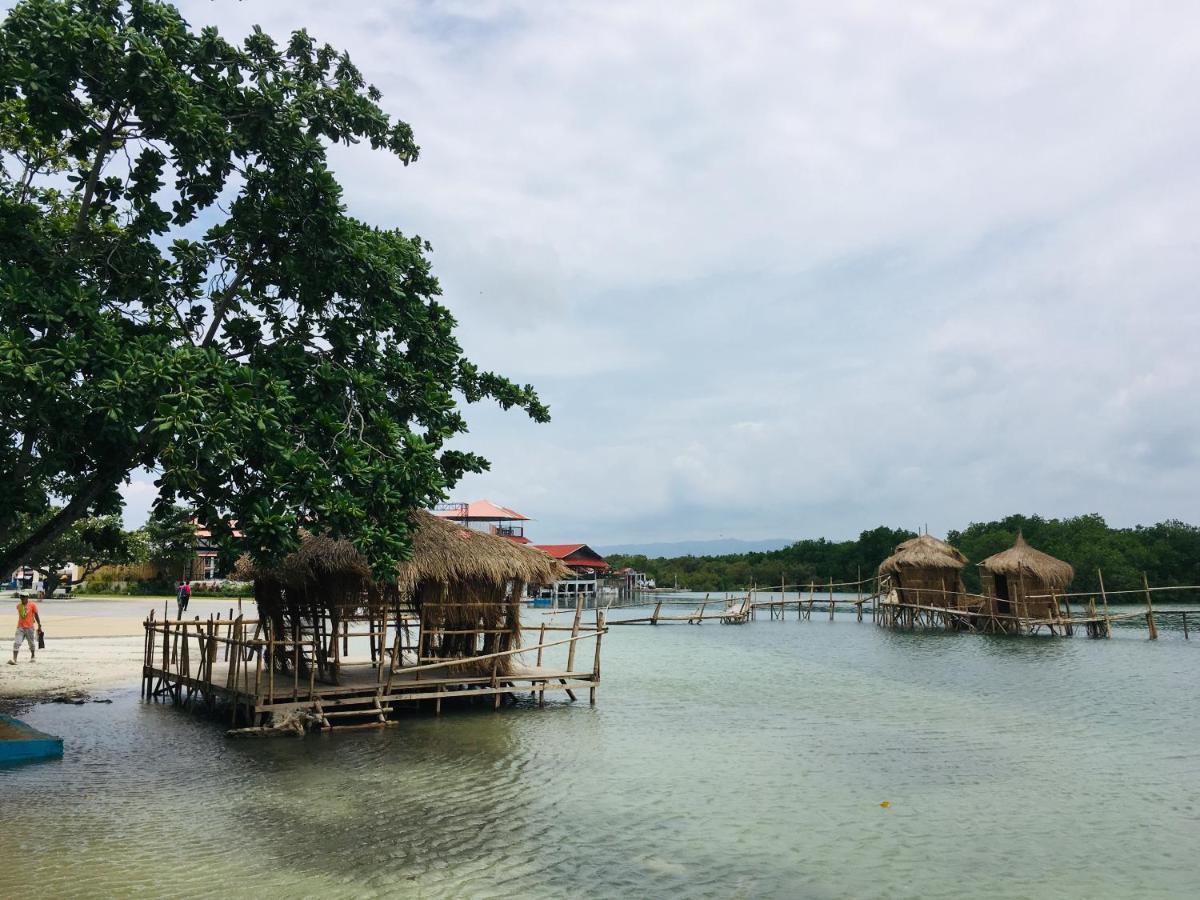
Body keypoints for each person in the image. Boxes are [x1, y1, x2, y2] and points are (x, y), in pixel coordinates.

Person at [9, 594, 41, 665]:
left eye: (23, 597)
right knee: (17, 643)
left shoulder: (32, 605)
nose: (22, 598)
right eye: (21, 597)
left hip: (29, 627)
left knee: (31, 643)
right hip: (20, 627)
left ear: (27, 597)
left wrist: (39, 624)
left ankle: (33, 656)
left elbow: (36, 614)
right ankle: (14, 659)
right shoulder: (18, 606)